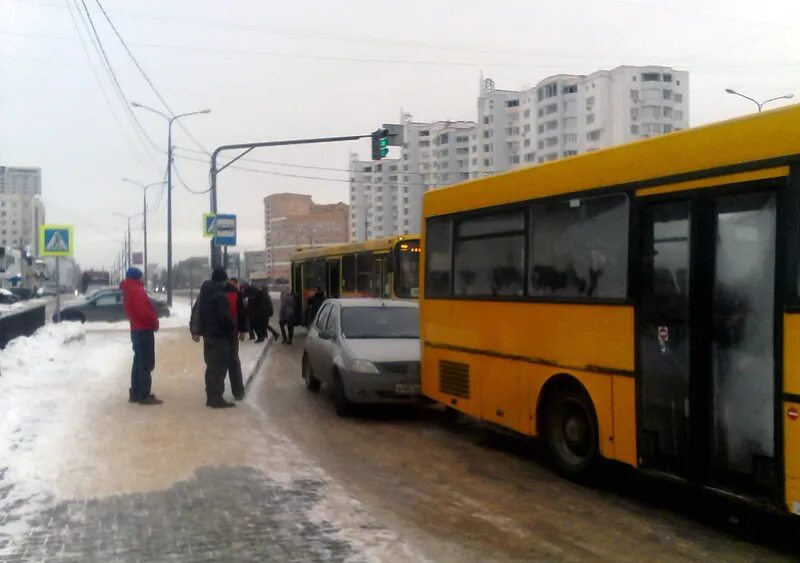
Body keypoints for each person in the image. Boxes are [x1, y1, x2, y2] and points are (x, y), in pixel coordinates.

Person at [190, 268, 236, 409]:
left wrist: (195, 330)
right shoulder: (220, 296)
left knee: (211, 367)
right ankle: (217, 398)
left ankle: (210, 396)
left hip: (208, 336)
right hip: (220, 336)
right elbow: (225, 317)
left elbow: (196, 312)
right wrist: (231, 327)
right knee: (219, 368)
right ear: (223, 280)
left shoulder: (204, 293)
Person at [120, 267, 162, 405]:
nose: (143, 278)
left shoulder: (129, 290)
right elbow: (143, 311)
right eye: (141, 276)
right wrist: (154, 322)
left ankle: (136, 392)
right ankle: (144, 394)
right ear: (137, 277)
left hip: (137, 329)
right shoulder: (137, 290)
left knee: (139, 361)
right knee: (145, 362)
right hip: (144, 329)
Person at [224, 278, 248, 400]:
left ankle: (214, 393)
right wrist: (243, 330)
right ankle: (238, 392)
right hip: (233, 333)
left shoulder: (215, 292)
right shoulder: (235, 293)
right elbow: (242, 313)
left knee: (217, 364)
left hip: (218, 334)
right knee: (234, 362)